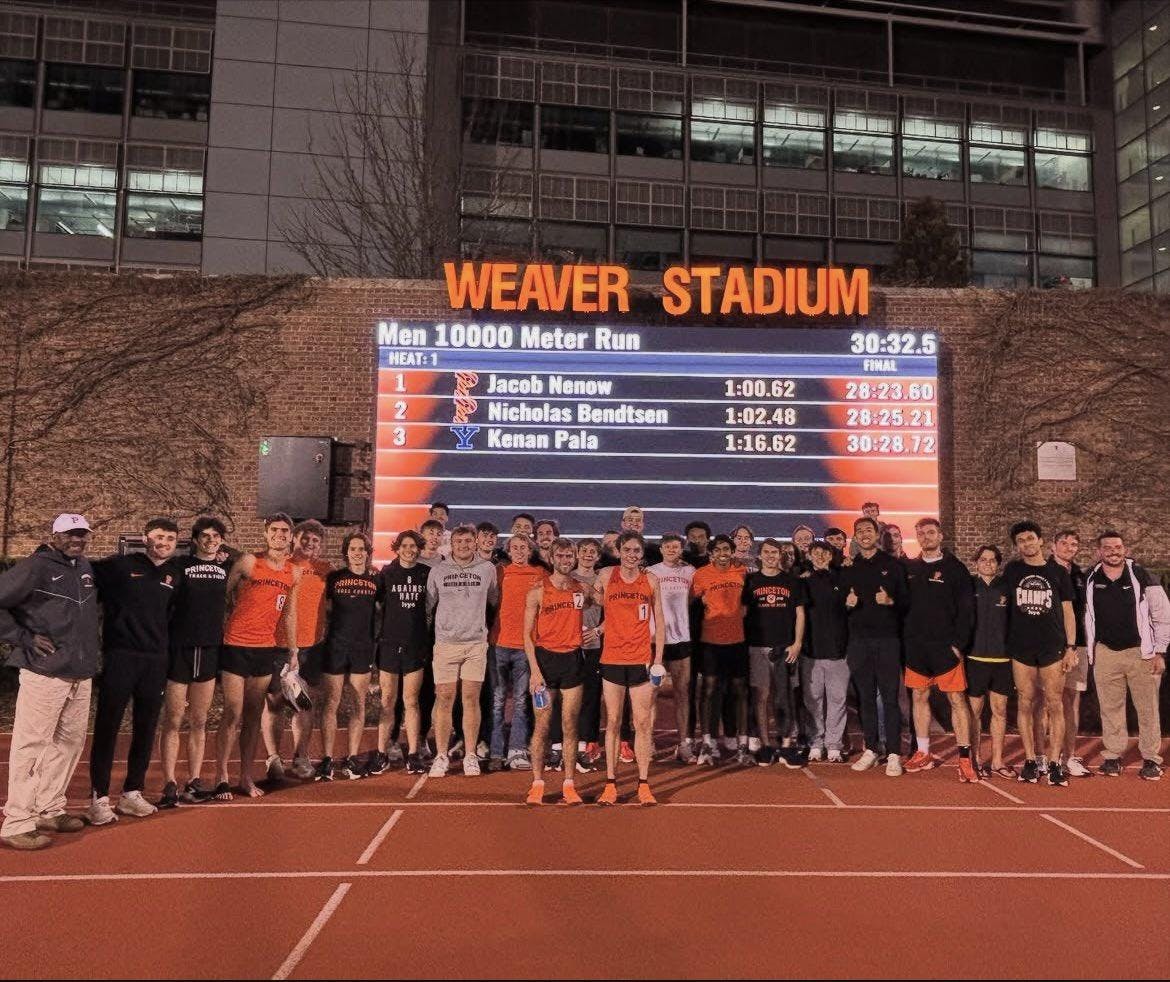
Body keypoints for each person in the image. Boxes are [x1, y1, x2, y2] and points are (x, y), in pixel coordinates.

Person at [0, 514, 98, 850]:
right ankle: (16, 822)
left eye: (81, 535)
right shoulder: (36, 567)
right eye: (69, 535)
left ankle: (48, 807)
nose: (76, 540)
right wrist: (23, 637)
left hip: (78, 674)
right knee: (31, 747)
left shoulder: (84, 566)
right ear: (53, 536)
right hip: (44, 672)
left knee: (69, 745)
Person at [87, 518, 180, 825]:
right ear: (145, 537)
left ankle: (132, 793)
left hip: (155, 662)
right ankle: (99, 798)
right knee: (108, 727)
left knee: (146, 727)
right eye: (158, 536)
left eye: (169, 538)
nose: (163, 542)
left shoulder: (173, 574)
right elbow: (84, 575)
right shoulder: (120, 566)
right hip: (121, 657)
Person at [215, 513, 301, 800]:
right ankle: (221, 777)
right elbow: (222, 596)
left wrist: (293, 650)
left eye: (285, 531)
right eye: (274, 530)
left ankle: (246, 776)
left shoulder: (293, 572)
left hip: (265, 649)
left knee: (253, 716)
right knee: (233, 711)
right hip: (235, 645)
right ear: (266, 534)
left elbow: (289, 613)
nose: (279, 535)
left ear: (291, 536)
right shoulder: (249, 562)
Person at [158, 516, 230, 808]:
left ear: (221, 540)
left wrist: (228, 556)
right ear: (196, 539)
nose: (211, 540)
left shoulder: (226, 568)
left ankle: (194, 780)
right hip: (180, 649)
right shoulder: (180, 566)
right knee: (174, 719)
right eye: (205, 535)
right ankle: (169, 783)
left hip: (210, 649)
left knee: (199, 721)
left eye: (216, 536)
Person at [1084, 531, 1169, 780]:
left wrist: (1159, 652)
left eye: (1118, 547)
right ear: (1099, 552)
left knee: (1148, 709)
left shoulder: (1143, 576)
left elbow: (1163, 616)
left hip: (1141, 653)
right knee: (1110, 708)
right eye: (1108, 547)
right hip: (1106, 652)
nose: (1114, 551)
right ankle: (1113, 756)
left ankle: (1151, 758)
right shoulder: (1090, 578)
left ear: (1125, 549)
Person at [900, 519, 977, 782]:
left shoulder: (956, 569)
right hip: (916, 648)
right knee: (919, 696)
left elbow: (967, 610)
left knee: (957, 700)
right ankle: (923, 752)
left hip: (945, 648)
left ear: (940, 536)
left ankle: (965, 758)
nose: (925, 537)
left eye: (930, 532)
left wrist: (959, 645)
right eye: (920, 533)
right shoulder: (910, 568)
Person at [1002, 520, 1077, 787]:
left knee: (1055, 703)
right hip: (1020, 648)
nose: (1027, 543)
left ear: (1041, 540)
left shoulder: (1058, 572)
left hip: (1052, 647)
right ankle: (1032, 760)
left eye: (1030, 538)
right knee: (1025, 702)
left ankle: (1055, 762)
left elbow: (1068, 611)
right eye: (1021, 540)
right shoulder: (1011, 570)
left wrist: (1070, 647)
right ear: (1017, 545)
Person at [592, 532, 665, 805]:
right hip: (611, 658)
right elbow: (595, 599)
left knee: (642, 723)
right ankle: (610, 784)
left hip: (641, 659)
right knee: (612, 722)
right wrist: (598, 629)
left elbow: (661, 622)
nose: (632, 555)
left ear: (641, 553)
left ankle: (643, 783)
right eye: (627, 550)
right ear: (619, 550)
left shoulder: (651, 580)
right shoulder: (606, 577)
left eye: (636, 550)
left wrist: (658, 659)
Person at [523, 538, 593, 806]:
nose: (565, 561)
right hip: (545, 661)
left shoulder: (581, 589)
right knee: (542, 725)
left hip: (573, 661)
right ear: (552, 558)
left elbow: (612, 604)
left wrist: (596, 631)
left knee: (569, 724)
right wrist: (534, 671)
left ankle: (569, 784)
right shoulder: (538, 591)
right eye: (561, 556)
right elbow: (527, 635)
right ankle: (538, 783)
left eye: (569, 556)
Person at [425, 525, 498, 778]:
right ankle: (441, 755)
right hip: (446, 643)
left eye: (468, 541)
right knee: (444, 698)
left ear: (475, 543)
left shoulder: (488, 570)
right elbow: (429, 604)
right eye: (459, 541)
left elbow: (492, 600)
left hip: (475, 644)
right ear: (451, 544)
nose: (464, 545)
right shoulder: (438, 570)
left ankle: (470, 755)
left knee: (470, 698)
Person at [263, 519, 331, 782]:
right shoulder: (282, 565)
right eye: (305, 538)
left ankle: (301, 757)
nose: (309, 543)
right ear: (294, 538)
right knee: (275, 702)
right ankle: (273, 758)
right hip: (279, 645)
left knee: (305, 703)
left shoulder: (326, 570)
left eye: (315, 540)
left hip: (312, 646)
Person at [839, 516, 907, 776]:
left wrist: (890, 601)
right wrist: (848, 604)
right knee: (865, 697)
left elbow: (906, 603)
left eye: (869, 530)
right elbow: (840, 607)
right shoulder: (848, 568)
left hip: (887, 640)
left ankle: (893, 752)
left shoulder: (893, 565)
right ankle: (871, 748)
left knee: (889, 698)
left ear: (878, 535)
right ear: (855, 537)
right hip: (859, 642)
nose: (864, 534)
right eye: (859, 531)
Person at [317, 533, 378, 781]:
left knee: (358, 704)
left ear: (367, 552)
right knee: (331, 702)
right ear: (346, 552)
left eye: (361, 549)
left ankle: (352, 757)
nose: (357, 553)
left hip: (362, 648)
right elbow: (323, 608)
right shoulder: (334, 578)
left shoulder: (376, 580)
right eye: (352, 549)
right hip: (336, 646)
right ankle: (327, 759)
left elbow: (382, 611)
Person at [743, 538, 807, 766]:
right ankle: (765, 743)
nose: (771, 556)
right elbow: (742, 612)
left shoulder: (792, 581)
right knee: (761, 696)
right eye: (767, 552)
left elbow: (800, 614)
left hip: (784, 648)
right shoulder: (750, 581)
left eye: (775, 552)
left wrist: (797, 643)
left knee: (784, 696)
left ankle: (787, 745)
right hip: (757, 647)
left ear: (781, 555)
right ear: (760, 555)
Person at [374, 530, 431, 775]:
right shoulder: (387, 573)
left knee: (411, 701)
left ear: (419, 549)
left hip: (415, 644)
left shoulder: (425, 574)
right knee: (387, 701)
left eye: (413, 546)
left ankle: (413, 753)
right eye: (405, 546)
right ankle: (381, 752)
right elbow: (377, 604)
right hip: (389, 645)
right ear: (397, 548)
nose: (409, 550)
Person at [691, 533, 750, 765]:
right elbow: (690, 604)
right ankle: (708, 742)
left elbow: (749, 603)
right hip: (710, 641)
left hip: (737, 641)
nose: (723, 554)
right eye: (718, 550)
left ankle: (742, 744)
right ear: (711, 553)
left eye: (727, 550)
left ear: (732, 551)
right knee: (709, 690)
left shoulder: (742, 572)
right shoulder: (701, 574)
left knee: (740, 691)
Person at [490, 533, 543, 771]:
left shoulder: (540, 575)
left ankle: (517, 751)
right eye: (515, 547)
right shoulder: (499, 572)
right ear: (508, 550)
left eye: (523, 547)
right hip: (499, 644)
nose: (519, 551)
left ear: (530, 551)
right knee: (498, 701)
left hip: (525, 647)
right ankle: (495, 752)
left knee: (521, 702)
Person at [966, 546, 1014, 779]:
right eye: (983, 560)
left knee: (1000, 711)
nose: (988, 563)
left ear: (998, 564)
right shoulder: (968, 587)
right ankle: (975, 759)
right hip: (974, 659)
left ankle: (997, 761)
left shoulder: (1007, 588)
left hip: (1002, 660)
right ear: (976, 563)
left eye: (992, 560)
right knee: (974, 712)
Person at [648, 533, 696, 762]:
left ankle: (684, 744)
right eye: (667, 546)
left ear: (681, 549)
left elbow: (692, 600)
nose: (671, 549)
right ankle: (647, 742)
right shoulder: (651, 572)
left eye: (675, 546)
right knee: (650, 693)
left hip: (681, 640)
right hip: (653, 640)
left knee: (682, 693)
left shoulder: (690, 572)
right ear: (661, 549)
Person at [801, 540, 850, 762]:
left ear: (831, 556)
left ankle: (833, 745)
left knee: (838, 700)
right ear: (809, 556)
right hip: (810, 652)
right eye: (816, 553)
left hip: (838, 651)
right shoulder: (801, 581)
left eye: (824, 553)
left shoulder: (843, 579)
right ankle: (815, 742)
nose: (820, 556)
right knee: (813, 701)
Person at [1050, 530, 1090, 777]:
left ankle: (1069, 756)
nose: (1068, 547)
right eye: (1063, 543)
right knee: (1045, 703)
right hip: (1047, 647)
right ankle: (1045, 757)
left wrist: (1075, 646)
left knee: (1071, 702)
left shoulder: (1081, 576)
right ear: (1053, 546)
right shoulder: (1041, 570)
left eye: (1073, 544)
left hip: (1077, 646)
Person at [572, 537, 605, 767]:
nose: (588, 554)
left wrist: (598, 631)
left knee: (592, 697)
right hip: (569, 646)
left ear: (598, 556)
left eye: (592, 551)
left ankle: (589, 744)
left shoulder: (603, 580)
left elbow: (614, 610)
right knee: (570, 697)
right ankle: (567, 745)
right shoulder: (568, 577)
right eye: (584, 550)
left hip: (594, 645)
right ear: (577, 553)